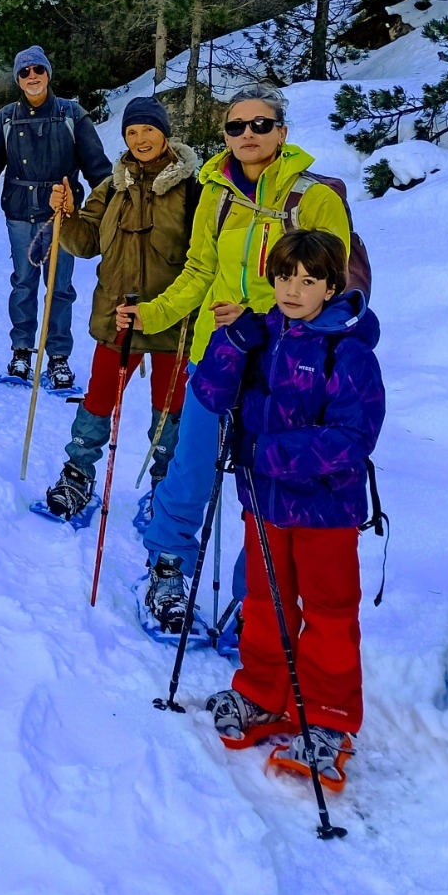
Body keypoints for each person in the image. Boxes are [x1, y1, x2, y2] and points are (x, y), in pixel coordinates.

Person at [114, 86, 351, 630]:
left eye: (260, 125)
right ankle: (167, 564)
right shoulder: (215, 191)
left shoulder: (313, 198)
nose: (248, 135)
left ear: (282, 132)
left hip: (283, 366)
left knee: (264, 478)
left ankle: (258, 593)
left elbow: (328, 290)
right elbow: (200, 269)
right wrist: (153, 313)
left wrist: (261, 322)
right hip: (215, 355)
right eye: (236, 126)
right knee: (191, 465)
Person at [181, 228, 384, 795]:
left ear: (331, 285)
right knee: (264, 602)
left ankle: (328, 719)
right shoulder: (262, 334)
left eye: (309, 280)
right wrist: (229, 342)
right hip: (264, 504)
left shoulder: (350, 352)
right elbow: (213, 395)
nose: (294, 290)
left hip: (325, 511)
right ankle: (263, 694)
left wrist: (266, 453)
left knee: (328, 612)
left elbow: (352, 437)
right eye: (285, 277)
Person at [38, 95, 201, 521]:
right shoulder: (112, 186)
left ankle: (165, 487)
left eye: (148, 129)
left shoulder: (193, 189)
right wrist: (67, 217)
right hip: (117, 317)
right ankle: (78, 471)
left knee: (170, 413)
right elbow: (86, 242)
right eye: (132, 131)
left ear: (165, 132)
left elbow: (204, 257)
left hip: (173, 321)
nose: (141, 138)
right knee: (97, 399)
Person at [0, 46, 111, 391]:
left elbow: (98, 170)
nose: (32, 76)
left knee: (59, 288)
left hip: (63, 217)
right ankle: (22, 353)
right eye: (24, 72)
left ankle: (58, 358)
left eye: (37, 70)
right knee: (24, 283)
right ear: (18, 79)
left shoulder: (72, 115)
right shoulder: (5, 119)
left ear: (48, 73)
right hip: (20, 214)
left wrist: (114, 210)